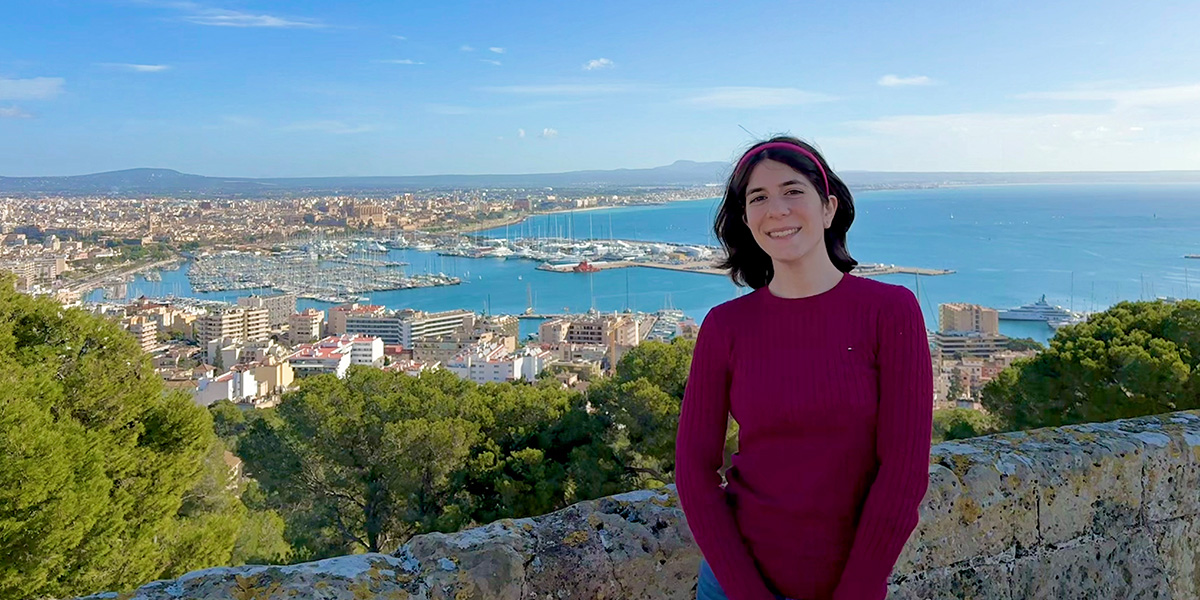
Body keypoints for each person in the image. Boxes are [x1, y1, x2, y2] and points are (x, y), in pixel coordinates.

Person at [675, 137, 933, 600]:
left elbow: (904, 471)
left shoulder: (891, 312)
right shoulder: (725, 327)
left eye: (793, 191)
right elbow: (693, 472)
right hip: (733, 587)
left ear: (829, 207)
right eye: (758, 198)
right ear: (746, 218)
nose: (776, 209)